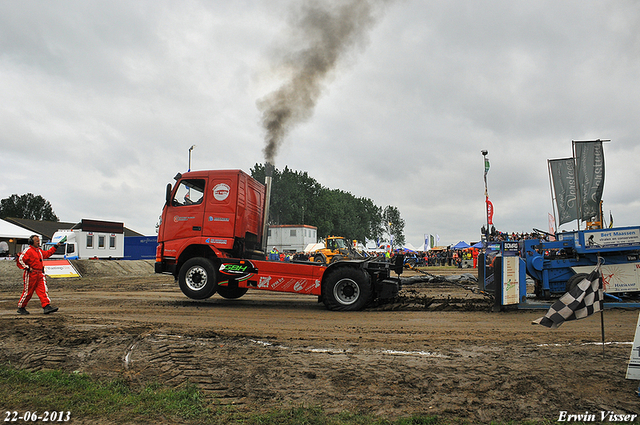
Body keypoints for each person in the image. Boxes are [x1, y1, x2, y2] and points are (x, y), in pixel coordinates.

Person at [16, 235, 61, 315]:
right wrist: (27, 267)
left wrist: (55, 247)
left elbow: (47, 254)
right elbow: (20, 260)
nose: (38, 242)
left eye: (38, 241)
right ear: (31, 242)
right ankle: (21, 307)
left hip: (39, 274)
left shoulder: (39, 251)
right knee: (28, 292)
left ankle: (46, 306)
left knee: (43, 290)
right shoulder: (28, 250)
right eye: (37, 241)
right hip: (31, 274)